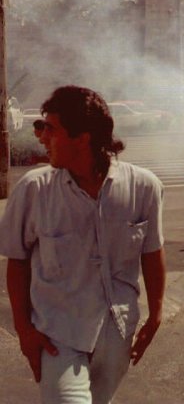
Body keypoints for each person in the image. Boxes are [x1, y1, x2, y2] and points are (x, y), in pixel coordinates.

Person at [0, 86, 166, 404]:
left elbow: (153, 251)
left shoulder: (144, 188)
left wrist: (155, 314)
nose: (41, 136)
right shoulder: (34, 190)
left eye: (50, 128)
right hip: (58, 332)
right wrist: (24, 330)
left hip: (117, 331)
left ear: (83, 137)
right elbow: (17, 261)